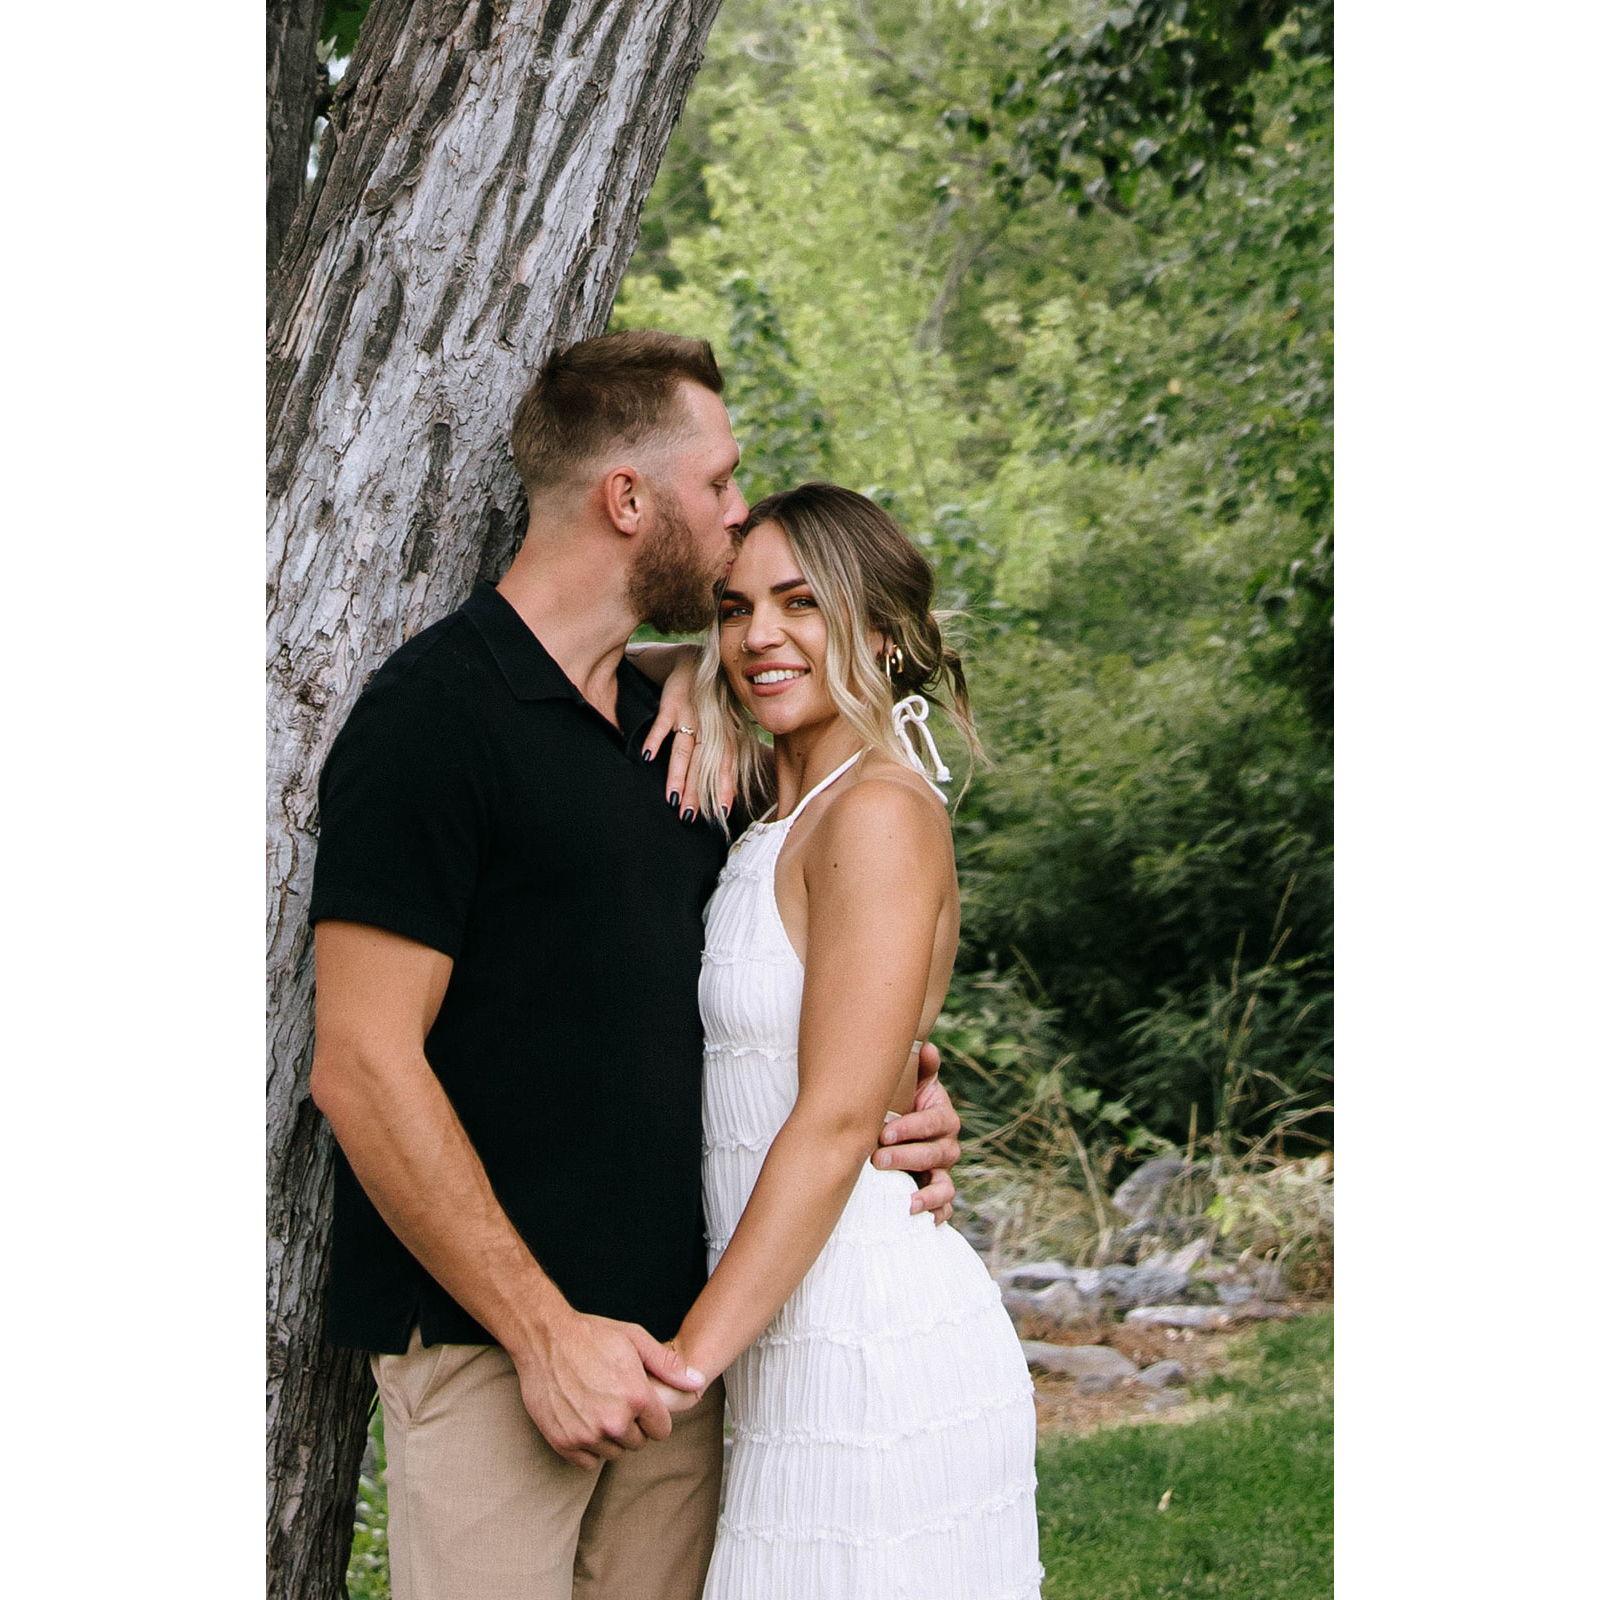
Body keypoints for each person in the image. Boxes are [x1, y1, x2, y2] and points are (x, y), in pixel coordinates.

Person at [306, 331, 964, 1600]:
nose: (735, 514)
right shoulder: (435, 718)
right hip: (499, 1353)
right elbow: (362, 1065)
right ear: (626, 499)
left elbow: (817, 988)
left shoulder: (687, 738)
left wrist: (911, 1102)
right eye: (717, 483)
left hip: (687, 1357)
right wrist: (543, 1333)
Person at [658, 483, 1042, 1597]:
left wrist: (683, 1367)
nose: (758, 637)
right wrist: (681, 666)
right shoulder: (781, 808)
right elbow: (576, 661)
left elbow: (834, 1123)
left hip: (871, 1349)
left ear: (879, 631)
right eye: (734, 609)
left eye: (801, 604)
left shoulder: (876, 812)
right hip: (784, 1344)